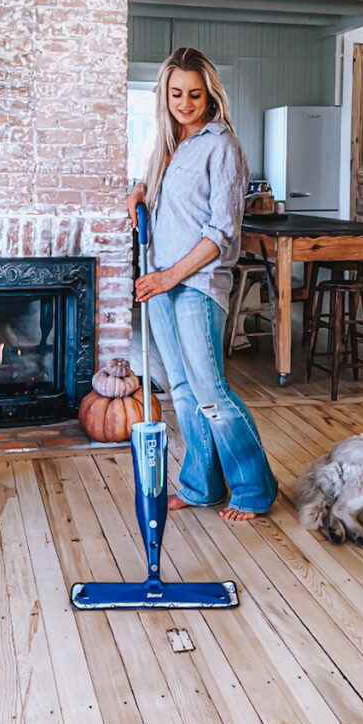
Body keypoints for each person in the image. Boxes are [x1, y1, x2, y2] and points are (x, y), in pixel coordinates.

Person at [127, 47, 278, 521]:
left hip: (197, 283)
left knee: (211, 390)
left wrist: (170, 276)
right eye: (176, 94)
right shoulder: (170, 145)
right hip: (162, 282)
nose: (185, 103)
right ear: (165, 95)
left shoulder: (222, 145)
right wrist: (138, 189)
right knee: (184, 392)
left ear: (210, 94)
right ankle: (200, 485)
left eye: (194, 94)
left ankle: (254, 489)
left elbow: (221, 232)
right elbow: (162, 200)